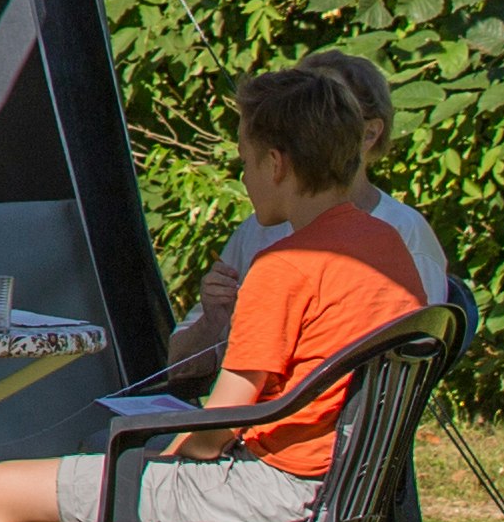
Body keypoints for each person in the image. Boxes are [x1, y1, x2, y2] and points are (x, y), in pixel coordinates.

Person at [0, 60, 430, 522]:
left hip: (278, 490)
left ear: (277, 163)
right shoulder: (385, 246)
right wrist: (146, 476)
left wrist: (152, 462)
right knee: (132, 501)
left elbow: (218, 426)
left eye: (245, 162)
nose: (243, 178)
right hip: (346, 489)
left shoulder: (283, 267)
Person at [160, 48, 452, 384]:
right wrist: (213, 322)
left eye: (326, 107)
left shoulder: (400, 233)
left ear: (369, 134)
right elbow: (176, 369)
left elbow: (412, 367)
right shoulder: (260, 228)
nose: (303, 123)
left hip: (299, 429)